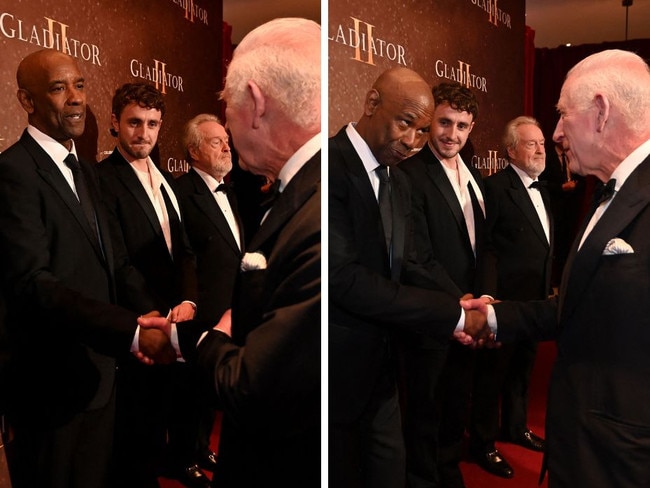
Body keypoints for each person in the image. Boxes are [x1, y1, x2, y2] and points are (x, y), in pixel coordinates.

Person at [142, 17, 322, 488]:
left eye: (228, 106)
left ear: (257, 103)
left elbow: (253, 385)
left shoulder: (319, 208)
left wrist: (192, 341)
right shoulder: (312, 189)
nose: (226, 121)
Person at [467, 49, 650, 487]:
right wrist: (490, 316)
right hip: (585, 445)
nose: (556, 132)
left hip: (624, 458)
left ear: (601, 112)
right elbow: (576, 307)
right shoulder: (607, 192)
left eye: (563, 115)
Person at [0, 48, 174, 488]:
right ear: (27, 100)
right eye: (59, 88)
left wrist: (161, 318)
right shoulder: (13, 172)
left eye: (79, 85)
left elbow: (114, 262)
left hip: (102, 378)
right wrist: (132, 330)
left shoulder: (85, 170)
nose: (75, 98)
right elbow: (34, 284)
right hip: (49, 388)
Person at [329, 68, 491, 488]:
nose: (413, 142)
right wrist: (452, 315)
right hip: (334, 368)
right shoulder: (327, 167)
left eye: (422, 131)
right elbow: (343, 278)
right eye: (406, 124)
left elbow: (411, 263)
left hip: (385, 365)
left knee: (388, 469)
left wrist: (463, 304)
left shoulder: (397, 179)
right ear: (371, 103)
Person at [97, 83, 205, 487]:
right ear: (115, 123)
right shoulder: (102, 180)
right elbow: (117, 261)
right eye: (134, 123)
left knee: (163, 428)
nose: (144, 133)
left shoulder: (166, 178)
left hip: (177, 327)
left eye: (153, 124)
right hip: (141, 330)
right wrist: (153, 317)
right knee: (134, 442)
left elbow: (186, 251)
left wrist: (190, 300)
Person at [396, 81, 488, 488]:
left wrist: (482, 298)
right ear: (429, 121)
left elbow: (483, 247)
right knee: (424, 412)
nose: (453, 134)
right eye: (445, 123)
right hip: (433, 316)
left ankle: (449, 475)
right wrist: (460, 301)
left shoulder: (476, 176)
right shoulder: (409, 175)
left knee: (455, 406)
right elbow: (414, 255)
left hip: (469, 319)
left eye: (462, 126)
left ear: (472, 128)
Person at [469, 116, 552, 479]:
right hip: (505, 304)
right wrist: (490, 298)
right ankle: (483, 443)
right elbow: (486, 247)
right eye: (532, 143)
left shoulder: (543, 188)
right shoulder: (495, 188)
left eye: (543, 143)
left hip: (536, 303)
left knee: (523, 370)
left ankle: (515, 428)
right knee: (492, 377)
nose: (540, 149)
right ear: (510, 150)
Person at [175, 113, 243, 473]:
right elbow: (185, 256)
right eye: (216, 141)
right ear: (194, 151)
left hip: (233, 308)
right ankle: (185, 459)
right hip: (202, 310)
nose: (226, 146)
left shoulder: (230, 191)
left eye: (226, 140)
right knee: (193, 391)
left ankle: (202, 450)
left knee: (215, 392)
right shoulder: (182, 193)